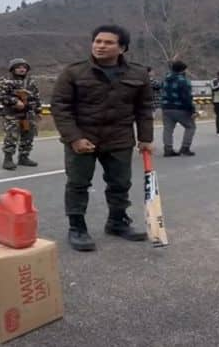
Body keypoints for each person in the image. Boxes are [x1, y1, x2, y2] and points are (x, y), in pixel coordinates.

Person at [51, 24, 154, 251]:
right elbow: (60, 108)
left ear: (122, 48)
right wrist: (74, 138)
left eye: (108, 42)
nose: (100, 46)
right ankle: (77, 227)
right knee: (78, 184)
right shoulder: (74, 72)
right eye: (98, 41)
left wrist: (145, 138)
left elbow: (144, 108)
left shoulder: (138, 74)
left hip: (119, 139)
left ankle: (117, 222)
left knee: (120, 183)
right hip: (82, 139)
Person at [0, 58, 42, 170]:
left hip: (28, 114)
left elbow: (36, 97)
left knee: (28, 135)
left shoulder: (30, 82)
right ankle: (8, 159)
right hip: (12, 114)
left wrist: (38, 111)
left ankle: (24, 157)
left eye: (24, 67)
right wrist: (14, 101)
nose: (22, 69)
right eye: (19, 67)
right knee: (11, 136)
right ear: (13, 69)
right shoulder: (5, 81)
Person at [160, 60, 198, 156]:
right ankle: (185, 148)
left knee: (168, 129)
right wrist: (192, 110)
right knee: (190, 126)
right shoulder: (183, 81)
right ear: (183, 70)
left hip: (166, 107)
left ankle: (168, 149)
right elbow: (186, 97)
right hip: (180, 108)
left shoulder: (165, 79)